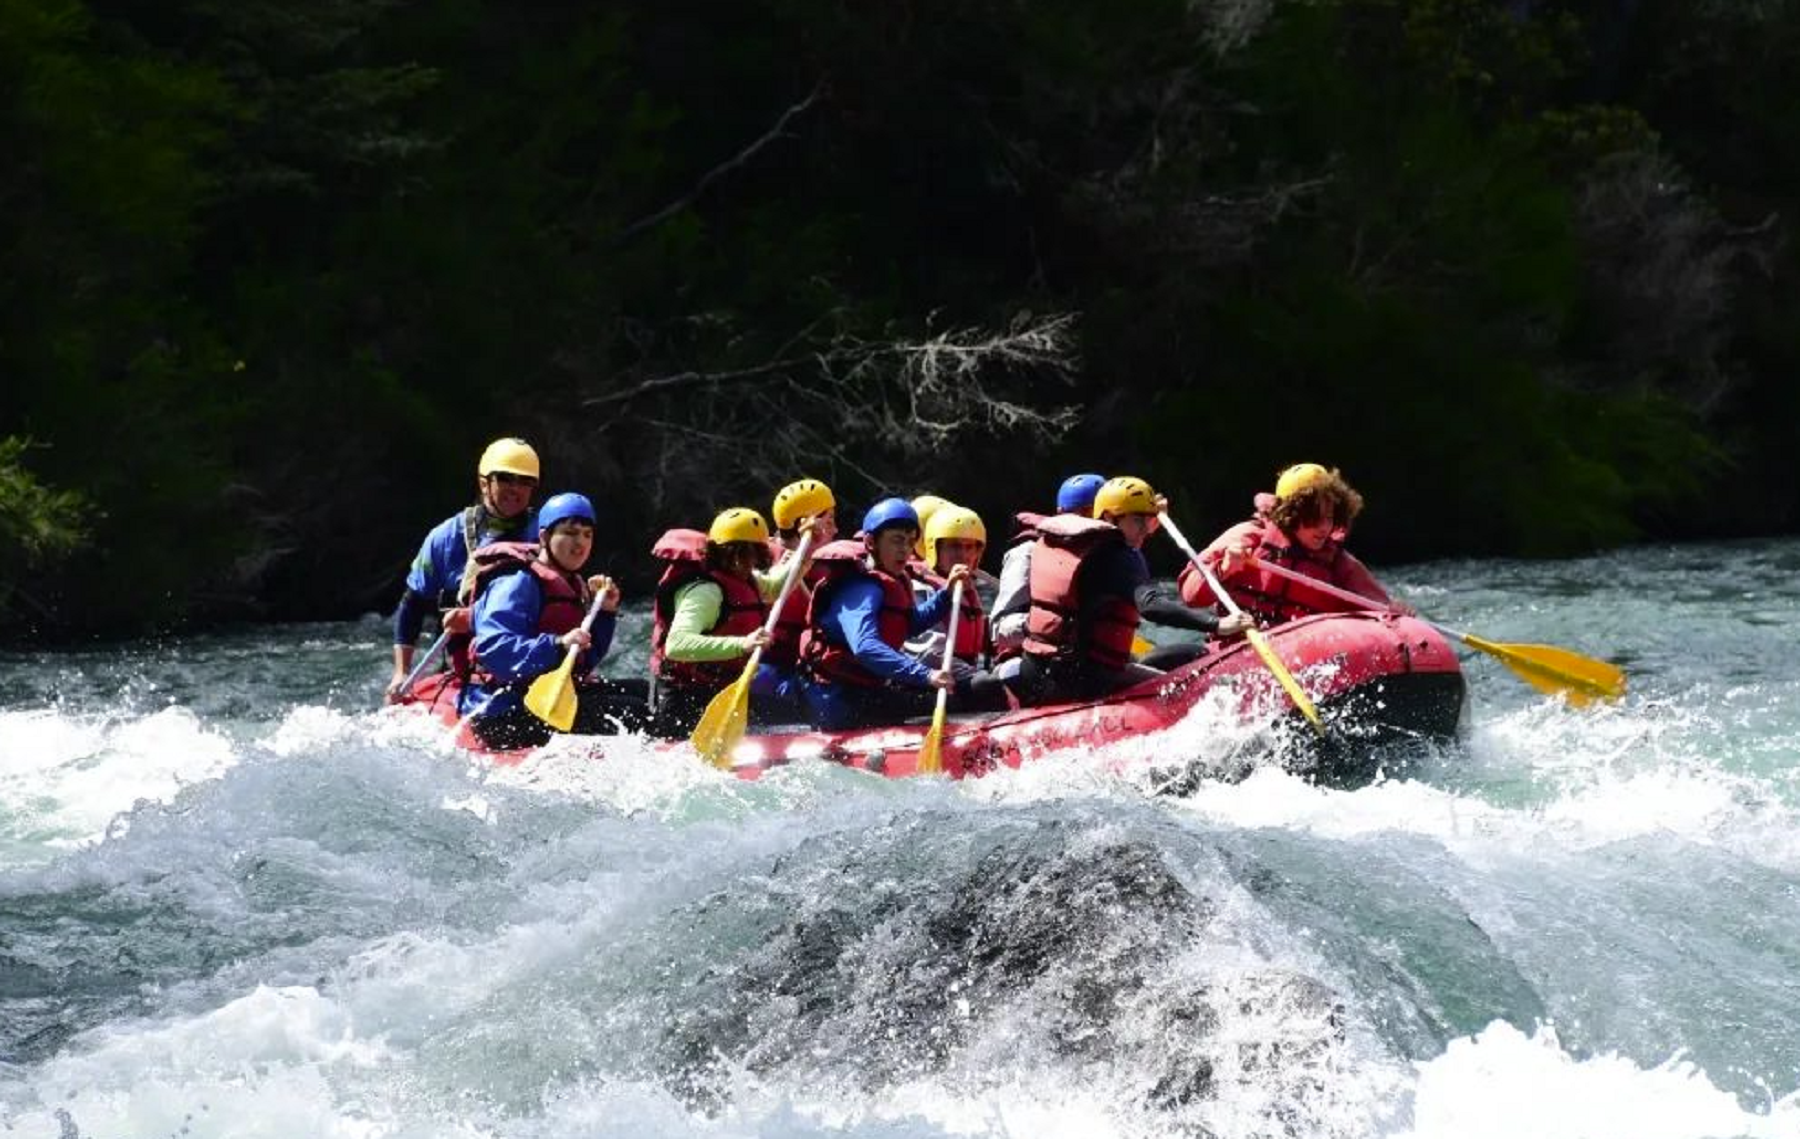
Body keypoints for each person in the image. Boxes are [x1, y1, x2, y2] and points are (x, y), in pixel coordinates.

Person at [1014, 476, 1252, 706]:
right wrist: (1217, 624)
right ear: (1109, 517)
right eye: (1138, 521)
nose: (1146, 531)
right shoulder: (1118, 555)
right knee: (1189, 687)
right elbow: (1151, 604)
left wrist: (1146, 516)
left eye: (1148, 522)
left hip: (1038, 671)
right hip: (1083, 680)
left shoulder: (1069, 543)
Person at [799, 497, 1010, 730]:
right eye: (897, 541)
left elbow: (910, 624)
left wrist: (946, 594)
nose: (905, 551)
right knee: (948, 703)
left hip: (866, 688)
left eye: (910, 542)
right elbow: (866, 647)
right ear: (870, 542)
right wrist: (926, 674)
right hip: (836, 698)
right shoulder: (860, 588)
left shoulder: (894, 580)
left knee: (959, 698)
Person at [460, 492, 647, 748]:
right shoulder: (517, 583)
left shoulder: (574, 584)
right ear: (545, 536)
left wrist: (604, 612)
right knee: (633, 711)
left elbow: (584, 661)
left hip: (544, 695)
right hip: (502, 711)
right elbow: (494, 651)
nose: (580, 543)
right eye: (570, 533)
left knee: (644, 691)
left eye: (587, 534)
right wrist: (557, 645)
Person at [386, 438, 541, 701]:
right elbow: (412, 605)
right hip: (464, 673)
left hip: (529, 668)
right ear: (484, 482)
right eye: (505, 478)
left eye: (525, 481)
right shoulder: (445, 537)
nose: (515, 489)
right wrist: (401, 673)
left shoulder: (545, 534)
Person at [647, 507, 809, 736]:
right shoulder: (705, 592)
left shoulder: (746, 579)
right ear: (721, 552)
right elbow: (677, 645)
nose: (747, 560)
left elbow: (774, 588)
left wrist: (802, 556)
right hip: (683, 696)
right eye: (741, 552)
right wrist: (742, 644)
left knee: (796, 717)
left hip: (722, 691)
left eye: (753, 552)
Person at [1178, 463, 1399, 626]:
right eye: (1314, 517)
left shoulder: (1337, 561)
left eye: (1330, 518)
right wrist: (1223, 569)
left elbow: (1380, 609)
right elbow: (1189, 594)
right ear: (1290, 514)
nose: (1324, 528)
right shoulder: (1249, 536)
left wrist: (1396, 614)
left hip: (1308, 655)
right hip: (1239, 648)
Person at [990, 473, 1105, 666]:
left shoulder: (1105, 557)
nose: (1094, 522)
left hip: (1084, 658)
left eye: (1100, 514)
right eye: (1087, 513)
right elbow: (999, 629)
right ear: (1062, 513)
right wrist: (1046, 625)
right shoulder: (1028, 553)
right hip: (1029, 661)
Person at [905, 505, 991, 673]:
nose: (963, 555)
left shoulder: (968, 589)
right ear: (934, 548)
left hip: (964, 669)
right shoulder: (919, 588)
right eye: (954, 546)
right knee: (987, 685)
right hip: (931, 677)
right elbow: (926, 651)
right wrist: (971, 675)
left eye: (970, 547)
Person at [765, 478, 837, 676]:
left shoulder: (822, 570)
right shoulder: (765, 563)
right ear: (803, 525)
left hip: (796, 668)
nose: (836, 530)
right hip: (766, 669)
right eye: (829, 522)